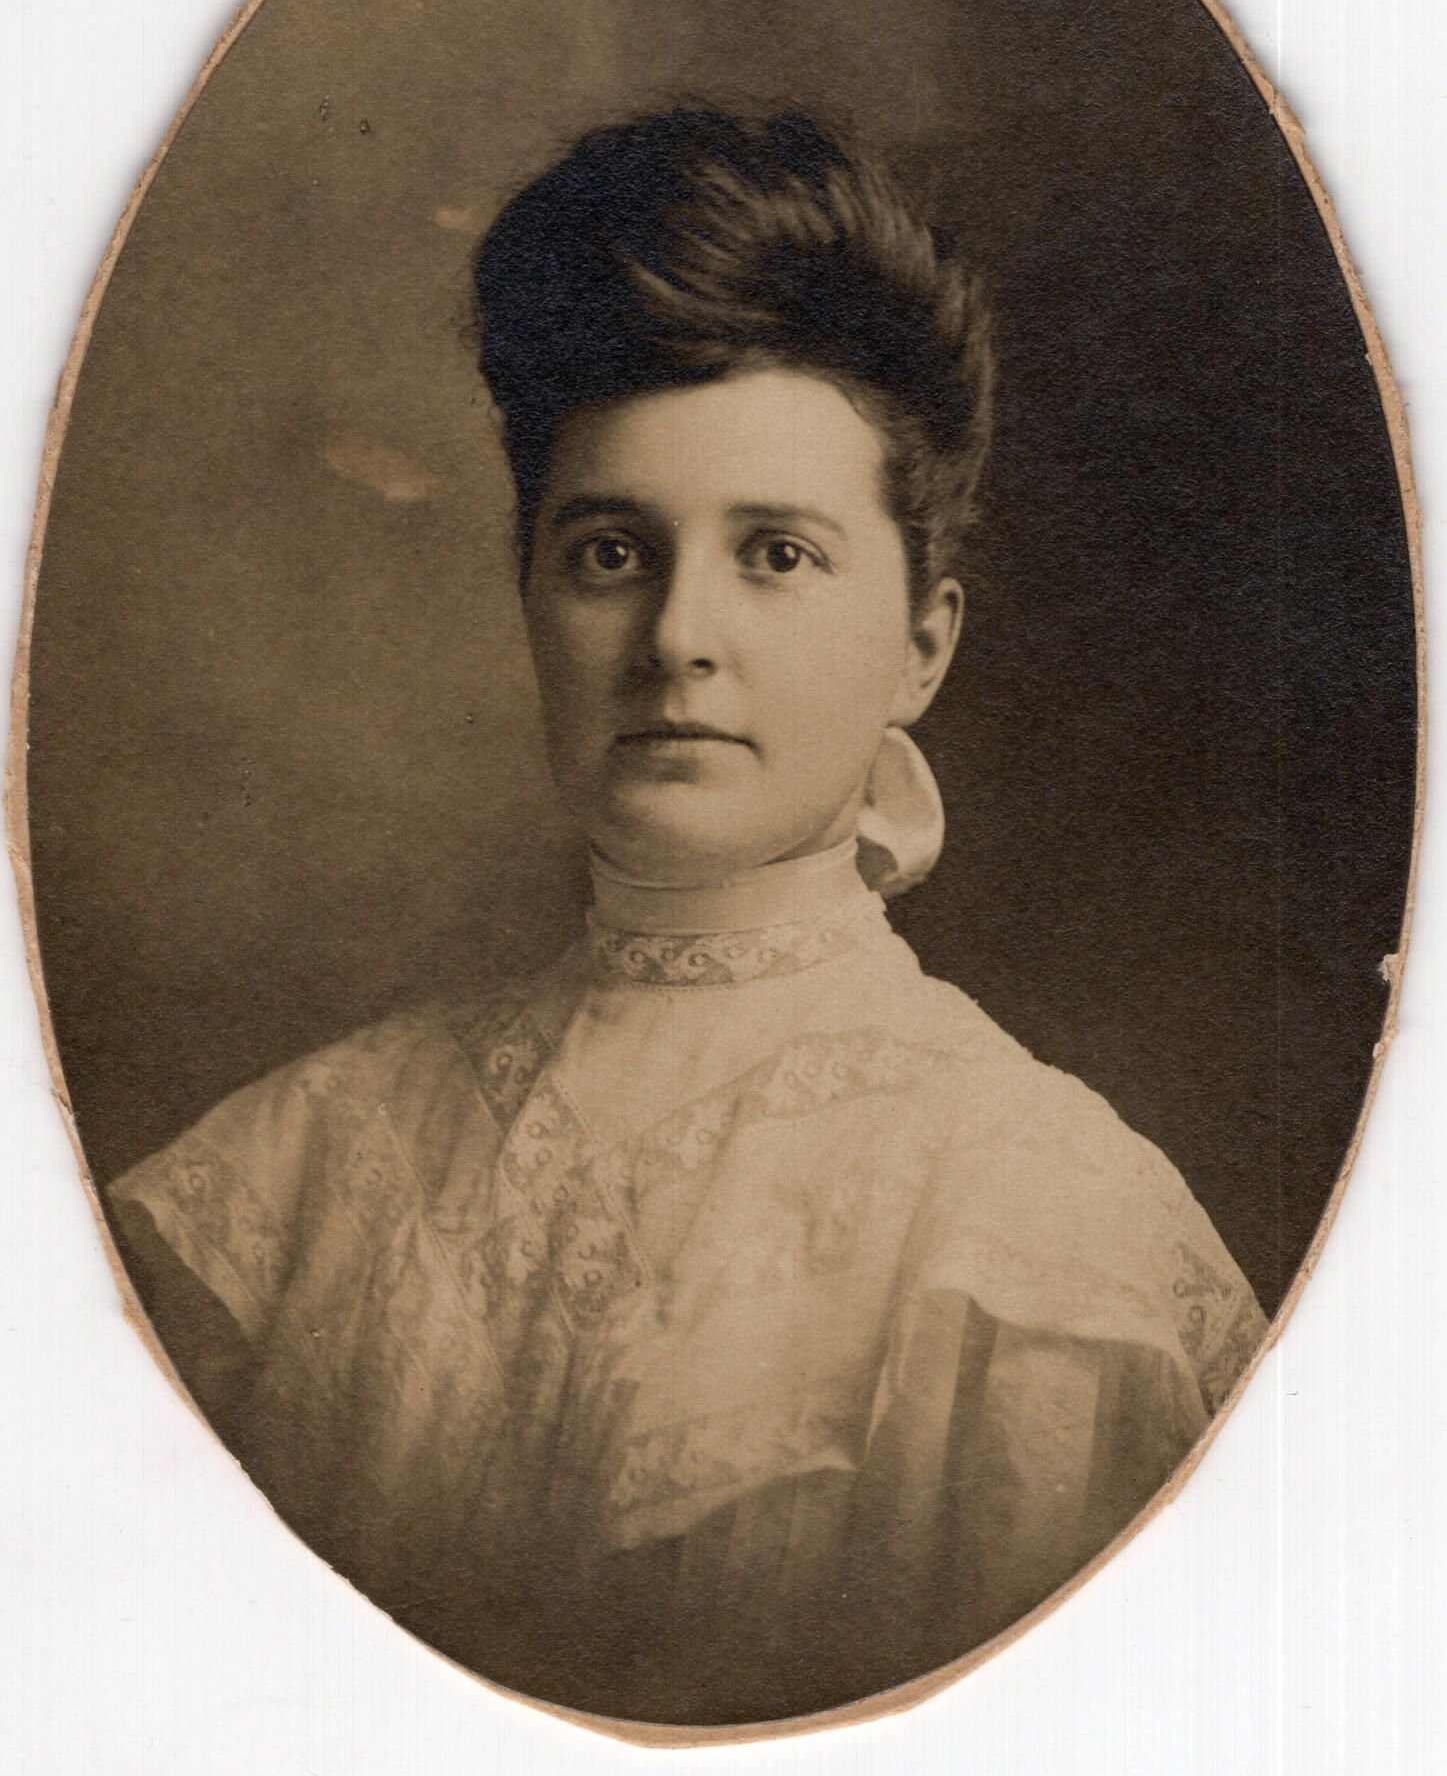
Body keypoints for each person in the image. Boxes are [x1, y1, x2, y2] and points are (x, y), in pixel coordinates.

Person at [109, 107, 1267, 1726]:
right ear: (530, 594)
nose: (676, 637)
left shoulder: (1040, 1224)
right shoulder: (288, 1184)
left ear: (923, 642)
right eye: (610, 551)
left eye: (777, 553)